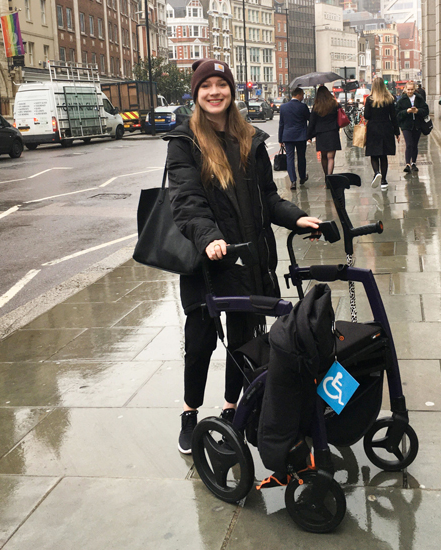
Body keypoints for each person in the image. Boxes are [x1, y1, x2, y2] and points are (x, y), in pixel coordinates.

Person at [164, 59, 321, 455]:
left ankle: (233, 406)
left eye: (221, 85)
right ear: (197, 94)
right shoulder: (184, 142)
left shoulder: (251, 138)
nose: (214, 92)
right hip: (208, 262)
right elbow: (185, 200)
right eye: (206, 86)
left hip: (249, 258)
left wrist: (298, 217)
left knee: (242, 341)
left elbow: (268, 197)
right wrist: (209, 237)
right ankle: (190, 411)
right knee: (200, 342)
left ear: (231, 92)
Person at [364, 77, 400, 191]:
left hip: (373, 128)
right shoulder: (389, 99)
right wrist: (397, 132)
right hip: (386, 128)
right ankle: (384, 180)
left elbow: (366, 116)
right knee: (384, 155)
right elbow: (393, 116)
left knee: (374, 154)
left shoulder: (370, 100)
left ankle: (376, 172)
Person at [279, 87, 310, 190]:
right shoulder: (303, 107)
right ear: (299, 95)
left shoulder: (283, 107)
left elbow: (281, 124)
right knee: (301, 157)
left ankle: (293, 181)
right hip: (301, 136)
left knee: (290, 158)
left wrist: (280, 139)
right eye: (302, 95)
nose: (303, 97)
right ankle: (302, 177)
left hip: (287, 136)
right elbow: (309, 119)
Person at [396, 80, 429, 173]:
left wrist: (417, 111)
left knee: (415, 144)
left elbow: (426, 110)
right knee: (409, 144)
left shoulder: (419, 99)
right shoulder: (402, 100)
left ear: (414, 89)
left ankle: (413, 163)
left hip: (417, 124)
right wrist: (407, 111)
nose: (410, 91)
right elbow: (397, 114)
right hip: (406, 125)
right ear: (405, 89)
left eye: (411, 89)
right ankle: (407, 164)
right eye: (408, 89)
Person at [308, 85, 341, 177]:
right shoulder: (334, 104)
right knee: (331, 157)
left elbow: (312, 122)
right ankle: (330, 177)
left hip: (321, 134)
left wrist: (309, 135)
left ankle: (326, 176)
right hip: (332, 132)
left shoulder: (316, 106)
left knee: (323, 157)